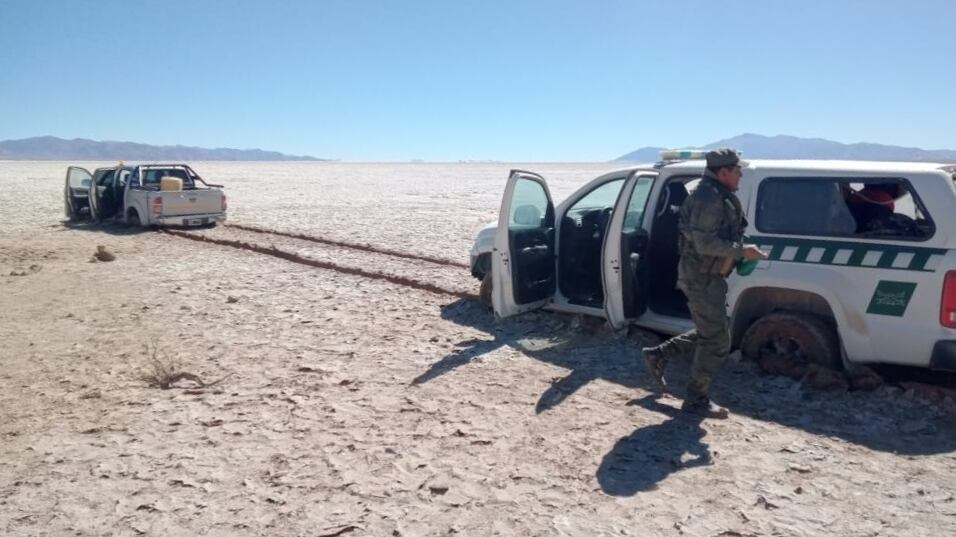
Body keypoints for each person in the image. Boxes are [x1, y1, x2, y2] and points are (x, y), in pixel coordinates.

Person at [640, 148, 768, 419]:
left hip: (708, 276)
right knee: (717, 340)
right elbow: (704, 243)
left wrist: (739, 251)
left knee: (714, 333)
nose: (741, 174)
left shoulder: (717, 194)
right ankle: (696, 399)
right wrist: (742, 251)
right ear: (723, 171)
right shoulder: (708, 198)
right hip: (700, 278)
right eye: (737, 169)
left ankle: (659, 354)